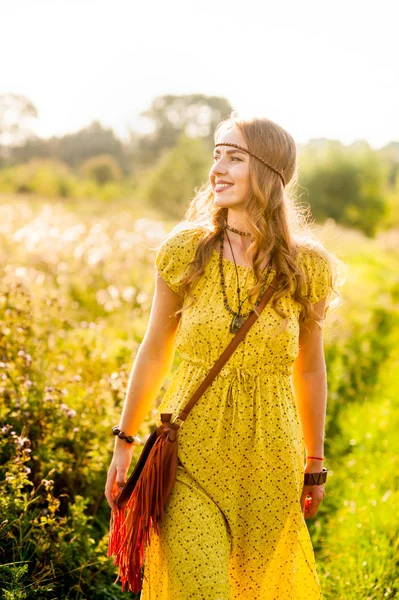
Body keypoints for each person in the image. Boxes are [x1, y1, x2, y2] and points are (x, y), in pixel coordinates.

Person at [105, 112, 341, 599]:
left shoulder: (307, 267)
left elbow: (311, 367)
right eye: (216, 155)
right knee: (201, 591)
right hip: (190, 455)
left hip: (270, 460)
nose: (218, 168)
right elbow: (154, 350)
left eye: (234, 157)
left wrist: (314, 461)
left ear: (271, 173)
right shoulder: (185, 251)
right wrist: (124, 442)